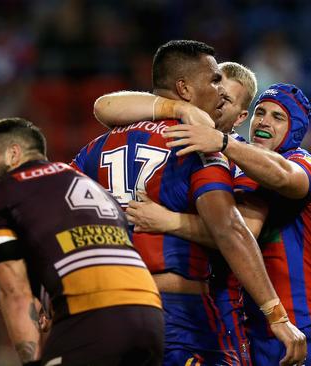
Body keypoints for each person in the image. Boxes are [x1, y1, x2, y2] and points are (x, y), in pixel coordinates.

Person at [72, 40, 306, 366]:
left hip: (104, 309)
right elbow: (232, 232)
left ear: (240, 117)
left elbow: (58, 219)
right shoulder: (198, 146)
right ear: (184, 89)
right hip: (178, 313)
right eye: (213, 81)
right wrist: (276, 314)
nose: (219, 90)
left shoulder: (97, 146)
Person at [159, 83, 311, 365]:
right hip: (257, 327)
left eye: (277, 117)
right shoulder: (243, 171)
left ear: (294, 129)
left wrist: (168, 220)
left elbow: (282, 178)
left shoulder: (304, 162)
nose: (264, 121)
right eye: (260, 112)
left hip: (306, 324)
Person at [93, 61, 261, 365]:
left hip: (224, 302)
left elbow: (244, 234)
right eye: (215, 88)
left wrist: (170, 221)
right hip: (166, 299)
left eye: (226, 99)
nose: (217, 100)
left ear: (240, 117)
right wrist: (176, 108)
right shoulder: (175, 135)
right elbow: (105, 106)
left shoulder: (241, 159)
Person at [0, 117, 164, 366]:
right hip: (152, 318)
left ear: (13, 154)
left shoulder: (0, 193)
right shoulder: (90, 185)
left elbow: (15, 294)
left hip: (93, 320)